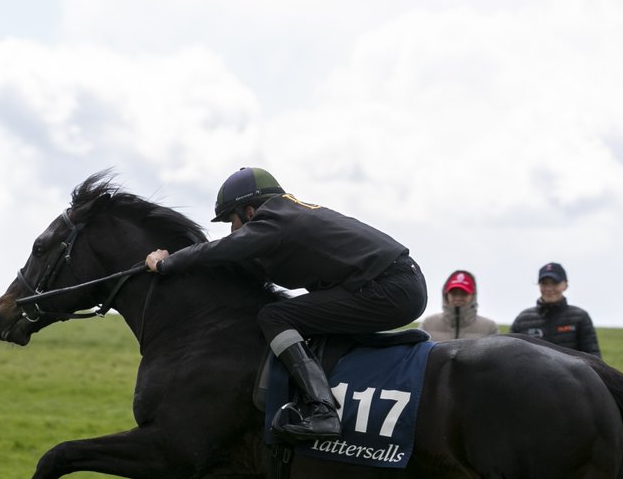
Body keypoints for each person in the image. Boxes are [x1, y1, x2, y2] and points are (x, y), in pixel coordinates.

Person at [145, 167, 428, 444]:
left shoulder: (275, 219)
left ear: (250, 211)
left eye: (231, 221)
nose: (232, 230)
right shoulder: (287, 216)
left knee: (276, 315)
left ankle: (323, 411)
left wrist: (167, 262)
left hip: (391, 288)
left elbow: (224, 249)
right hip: (398, 284)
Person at [510, 261, 607, 479]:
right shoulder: (524, 320)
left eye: (554, 283)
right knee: (537, 475)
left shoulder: (578, 318)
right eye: (545, 283)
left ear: (565, 285)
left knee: (583, 473)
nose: (549, 288)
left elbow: (594, 359)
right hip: (533, 413)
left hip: (572, 410)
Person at [409, 270, 498, 479]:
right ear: (446, 294)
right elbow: (415, 362)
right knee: (424, 478)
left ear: (472, 295)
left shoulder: (488, 328)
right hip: (430, 414)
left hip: (468, 416)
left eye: (463, 293)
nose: (458, 297)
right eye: (454, 292)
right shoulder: (429, 323)